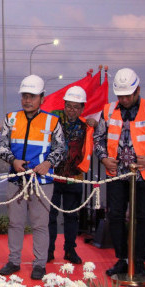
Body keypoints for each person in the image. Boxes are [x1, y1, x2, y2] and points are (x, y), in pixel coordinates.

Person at [94, 68, 145, 278]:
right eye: (120, 96)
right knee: (115, 216)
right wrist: (104, 157)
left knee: (142, 217)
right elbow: (98, 139)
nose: (123, 100)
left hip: (144, 174)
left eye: (127, 95)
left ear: (137, 90)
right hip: (117, 174)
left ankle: (139, 262)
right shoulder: (107, 111)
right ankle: (123, 259)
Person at [0, 75, 66, 280]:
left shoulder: (52, 121)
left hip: (42, 183)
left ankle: (39, 264)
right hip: (16, 180)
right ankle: (14, 261)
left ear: (42, 98)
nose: (27, 100)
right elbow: (2, 146)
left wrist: (48, 163)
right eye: (24, 96)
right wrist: (13, 161)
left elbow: (61, 148)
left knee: (39, 224)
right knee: (15, 223)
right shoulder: (11, 118)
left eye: (32, 96)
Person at [47, 86, 97, 265]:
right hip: (52, 177)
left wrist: (96, 124)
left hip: (74, 178)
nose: (72, 110)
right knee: (50, 216)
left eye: (76, 107)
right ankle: (49, 250)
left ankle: (70, 250)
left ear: (83, 108)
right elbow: (34, 120)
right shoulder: (52, 119)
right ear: (64, 105)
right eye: (69, 106)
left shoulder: (86, 126)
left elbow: (104, 134)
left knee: (71, 216)